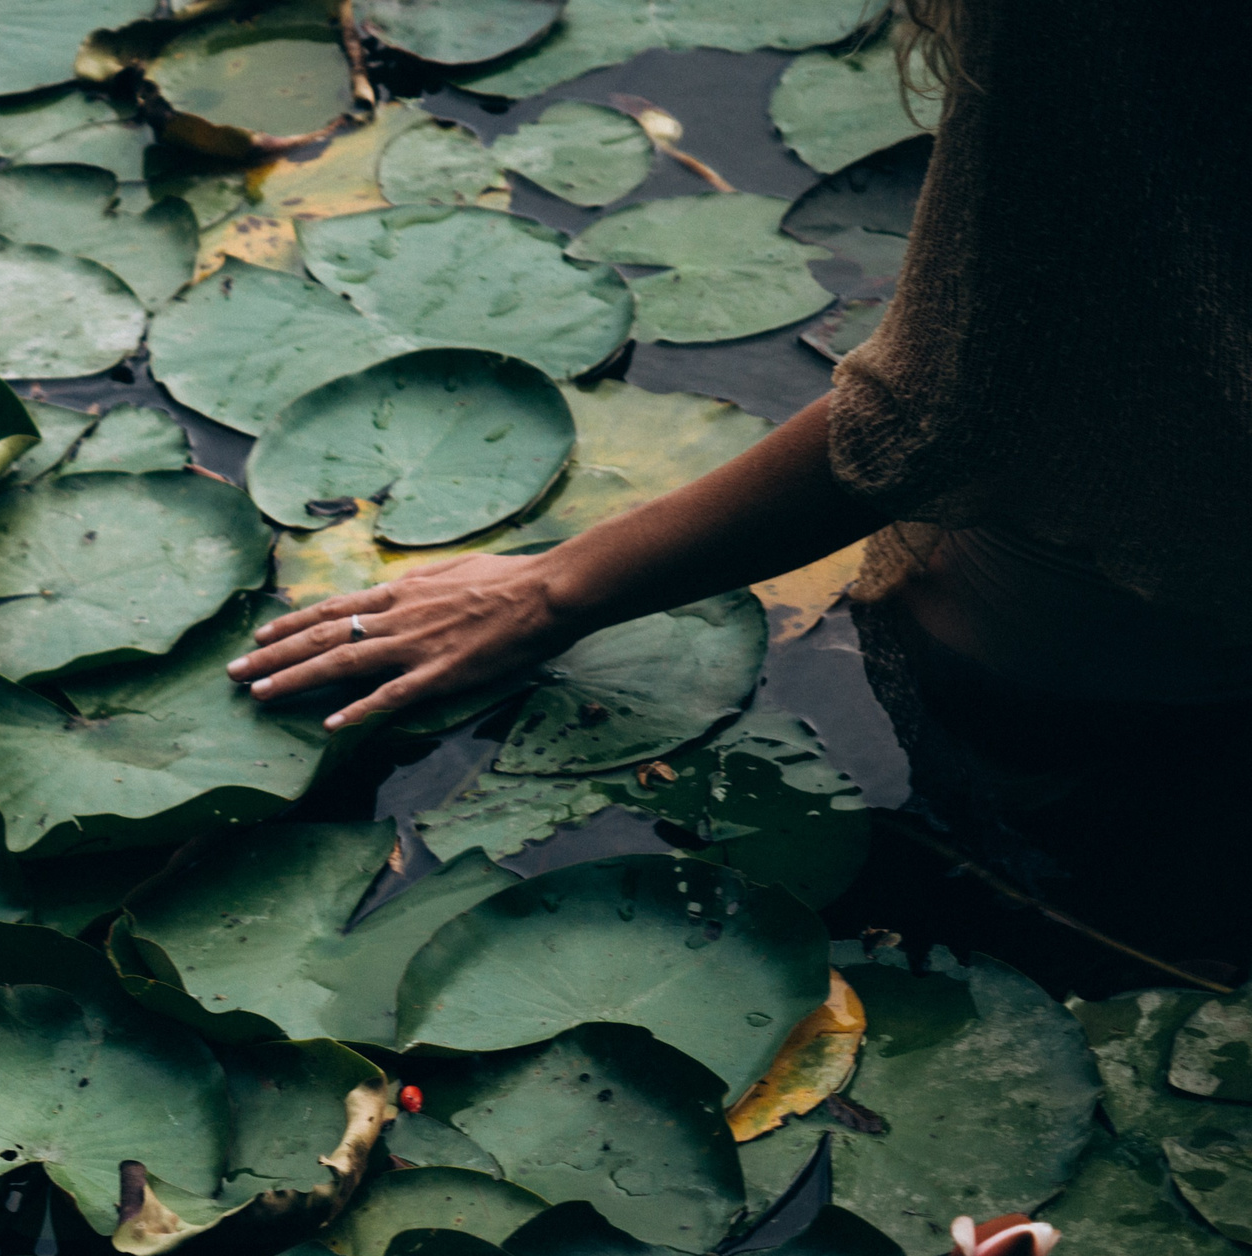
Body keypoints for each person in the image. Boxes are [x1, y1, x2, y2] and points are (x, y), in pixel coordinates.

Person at [228, 0, 1251, 822]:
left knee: (1002, 816)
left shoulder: (1096, 23)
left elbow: (937, 415)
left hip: (1071, 658)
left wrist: (549, 591)